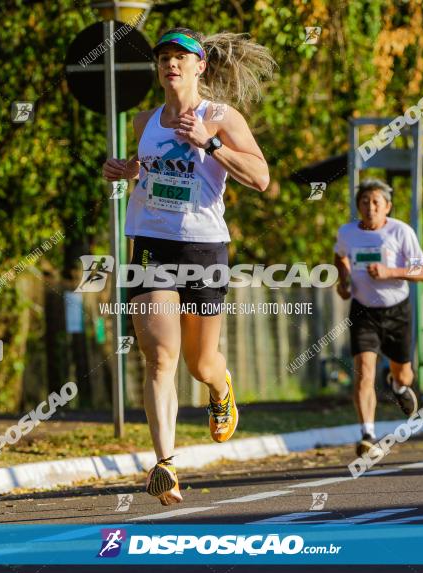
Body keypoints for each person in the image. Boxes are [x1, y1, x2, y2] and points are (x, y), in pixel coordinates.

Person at [101, 27, 274, 504]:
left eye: (181, 57)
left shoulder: (220, 116)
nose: (171, 64)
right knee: (159, 358)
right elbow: (149, 165)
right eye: (163, 58)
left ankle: (221, 387)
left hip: (203, 249)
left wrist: (211, 143)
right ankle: (165, 465)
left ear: (200, 67)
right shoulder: (143, 122)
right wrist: (126, 169)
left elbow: (261, 177)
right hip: (152, 244)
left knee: (200, 364)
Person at [334, 179, 423, 459]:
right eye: (364, 201)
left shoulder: (401, 232)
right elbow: (340, 257)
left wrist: (390, 272)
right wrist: (343, 280)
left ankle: (398, 385)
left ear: (387, 206)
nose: (370, 207)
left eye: (376, 202)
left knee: (404, 373)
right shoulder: (348, 232)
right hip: (363, 311)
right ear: (358, 206)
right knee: (364, 370)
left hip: (397, 310)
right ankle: (368, 434)